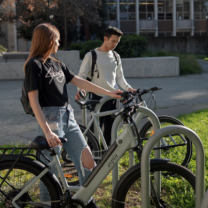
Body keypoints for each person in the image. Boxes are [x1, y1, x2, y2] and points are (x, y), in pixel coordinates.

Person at [24, 23, 122, 208]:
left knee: (87, 159)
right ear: (48, 40)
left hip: (67, 115)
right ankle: (48, 204)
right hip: (50, 117)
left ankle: (85, 198)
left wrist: (110, 92)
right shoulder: (34, 65)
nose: (59, 43)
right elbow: (34, 101)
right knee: (51, 167)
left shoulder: (57, 63)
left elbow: (80, 81)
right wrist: (47, 132)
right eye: (57, 40)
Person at [76, 26, 136, 147]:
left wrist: (129, 88)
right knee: (95, 131)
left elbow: (119, 77)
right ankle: (92, 158)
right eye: (113, 41)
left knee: (111, 130)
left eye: (117, 42)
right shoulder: (91, 55)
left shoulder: (116, 56)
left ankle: (106, 157)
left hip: (113, 98)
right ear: (105, 38)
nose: (115, 44)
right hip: (98, 98)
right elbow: (81, 76)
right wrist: (81, 90)